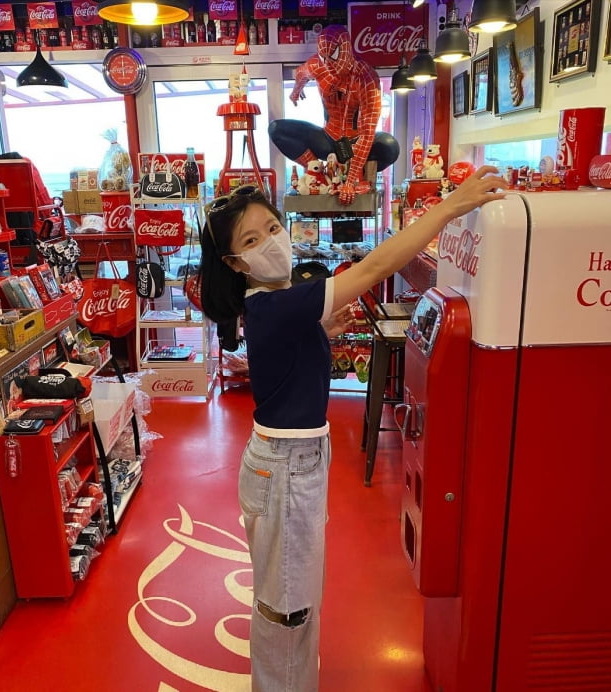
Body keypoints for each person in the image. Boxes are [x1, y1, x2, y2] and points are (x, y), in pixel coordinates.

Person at [198, 166, 508, 692]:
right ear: (234, 262)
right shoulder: (278, 304)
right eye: (252, 240)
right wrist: (449, 206)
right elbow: (378, 263)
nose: (271, 243)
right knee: (289, 608)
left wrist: (319, 330)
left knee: (292, 599)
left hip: (289, 464)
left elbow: (285, 358)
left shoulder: (275, 305)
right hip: (286, 470)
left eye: (272, 228)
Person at [268, 25, 399, 206]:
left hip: (356, 143)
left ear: (346, 49)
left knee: (390, 146)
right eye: (324, 57)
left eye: (334, 55)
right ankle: (317, 170)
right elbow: (300, 73)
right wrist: (296, 90)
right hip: (328, 138)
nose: (329, 63)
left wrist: (350, 182)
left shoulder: (366, 77)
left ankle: (358, 175)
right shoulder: (317, 65)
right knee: (276, 129)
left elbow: (368, 132)